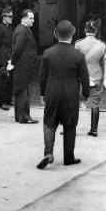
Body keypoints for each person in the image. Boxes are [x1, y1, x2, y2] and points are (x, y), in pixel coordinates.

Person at [37, 20, 90, 169]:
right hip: (70, 94)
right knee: (70, 125)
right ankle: (69, 157)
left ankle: (48, 152)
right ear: (71, 36)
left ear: (56, 35)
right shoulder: (78, 55)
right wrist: (85, 95)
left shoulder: (48, 53)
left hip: (52, 92)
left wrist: (42, 93)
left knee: (49, 123)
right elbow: (85, 78)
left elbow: (42, 76)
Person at [75, 19, 106, 137]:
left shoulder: (78, 44)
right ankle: (94, 130)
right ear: (96, 31)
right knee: (95, 102)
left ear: (85, 30)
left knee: (75, 102)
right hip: (96, 75)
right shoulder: (102, 45)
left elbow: (75, 60)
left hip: (80, 75)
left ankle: (71, 127)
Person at [11, 9, 39, 123]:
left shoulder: (24, 29)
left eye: (33, 18)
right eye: (31, 18)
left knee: (21, 90)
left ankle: (20, 115)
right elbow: (17, 49)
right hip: (22, 65)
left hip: (23, 65)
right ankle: (24, 117)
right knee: (22, 90)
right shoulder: (22, 30)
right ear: (23, 18)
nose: (33, 20)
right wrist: (12, 62)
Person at [0, 7, 14, 110]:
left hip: (10, 55)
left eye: (11, 16)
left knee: (10, 79)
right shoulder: (0, 28)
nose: (11, 18)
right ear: (4, 17)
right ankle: (2, 102)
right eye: (9, 16)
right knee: (2, 80)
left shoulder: (10, 28)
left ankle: (8, 100)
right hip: (3, 55)